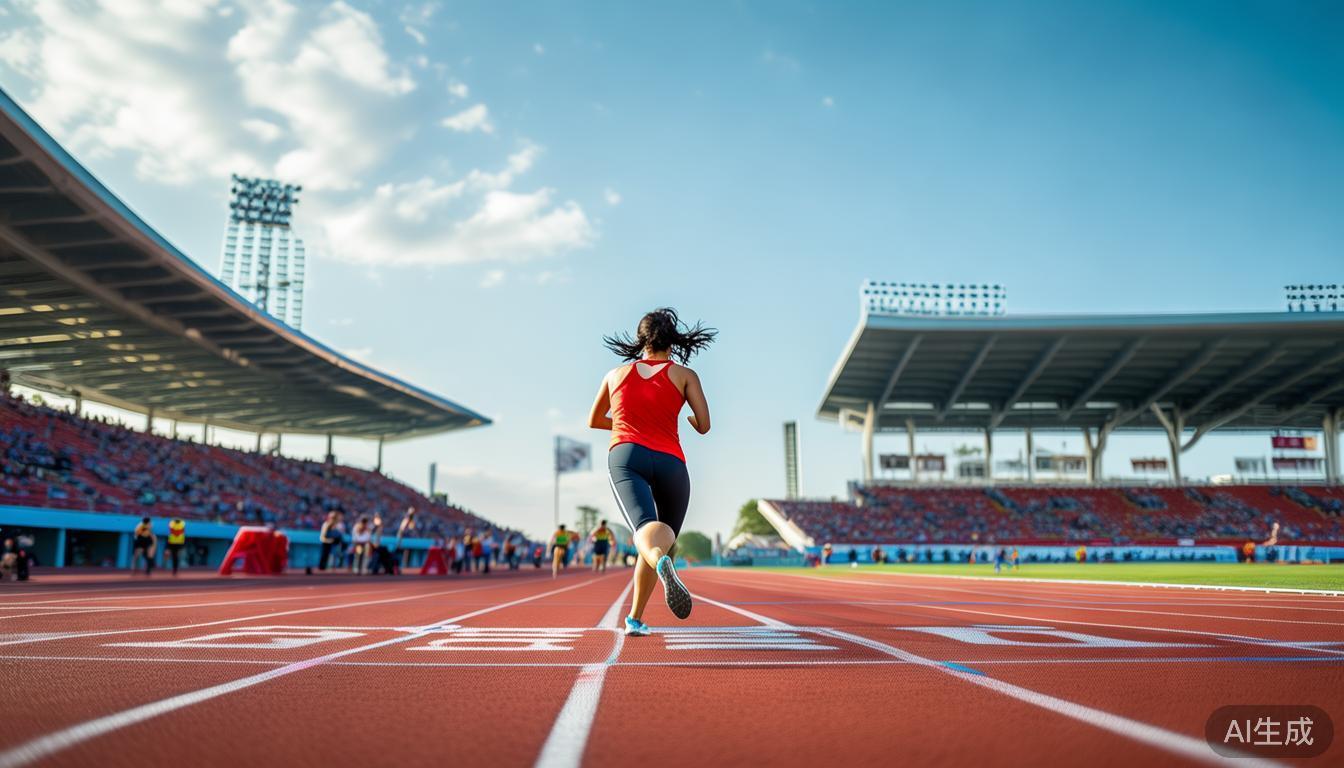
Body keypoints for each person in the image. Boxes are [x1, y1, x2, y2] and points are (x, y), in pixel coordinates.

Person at [588, 307, 714, 636]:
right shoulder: (685, 375)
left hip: (627, 456)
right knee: (662, 537)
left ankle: (660, 564)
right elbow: (704, 425)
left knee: (647, 532)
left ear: (640, 340)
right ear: (672, 340)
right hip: (671, 461)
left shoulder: (615, 374)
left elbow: (595, 420)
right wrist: (687, 420)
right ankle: (635, 618)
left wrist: (627, 425)